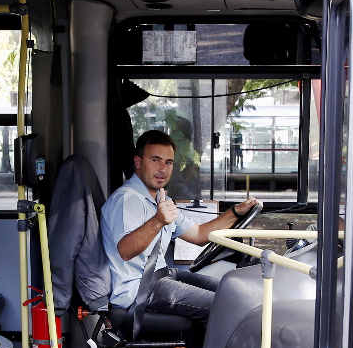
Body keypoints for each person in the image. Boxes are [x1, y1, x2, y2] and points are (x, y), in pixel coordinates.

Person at [101, 129, 259, 319]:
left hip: (161, 276)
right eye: (155, 160)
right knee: (229, 306)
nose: (163, 169)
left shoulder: (159, 198)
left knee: (231, 291)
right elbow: (126, 250)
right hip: (139, 290)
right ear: (138, 162)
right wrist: (158, 221)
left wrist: (235, 212)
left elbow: (200, 234)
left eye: (168, 162)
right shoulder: (128, 199)